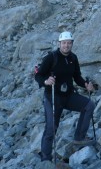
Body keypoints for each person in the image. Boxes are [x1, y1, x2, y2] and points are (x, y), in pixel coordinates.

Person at [35, 30, 95, 162]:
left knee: (89, 105)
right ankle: (45, 158)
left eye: (69, 43)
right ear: (59, 43)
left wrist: (85, 84)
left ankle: (79, 137)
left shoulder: (73, 58)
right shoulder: (51, 57)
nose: (66, 45)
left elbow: (77, 76)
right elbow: (38, 75)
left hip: (68, 95)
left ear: (72, 44)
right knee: (51, 127)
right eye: (64, 43)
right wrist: (45, 81)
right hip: (53, 98)